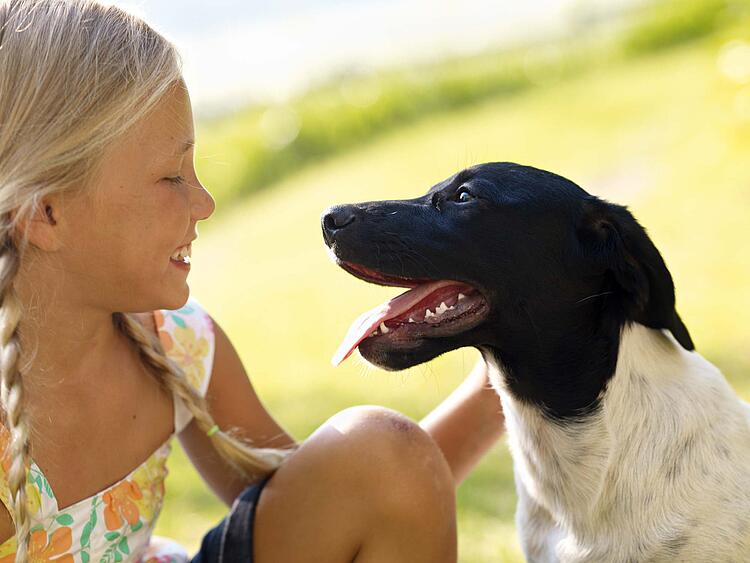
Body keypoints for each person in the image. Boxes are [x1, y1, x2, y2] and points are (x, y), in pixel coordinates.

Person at [0, 1, 505, 562]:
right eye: (171, 176)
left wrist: (503, 385)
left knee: (381, 449)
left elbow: (370, 493)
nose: (205, 201)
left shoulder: (176, 345)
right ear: (45, 213)